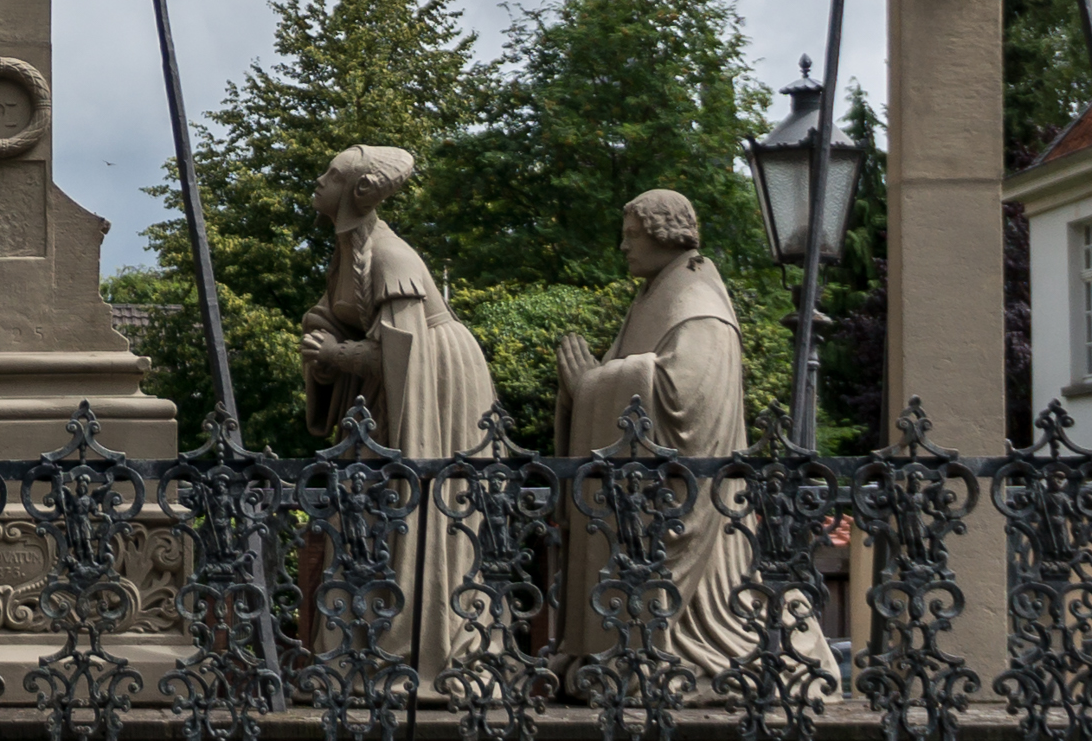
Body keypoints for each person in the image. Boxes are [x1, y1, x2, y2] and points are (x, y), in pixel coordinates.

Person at [553, 190, 839, 692]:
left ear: (666, 234)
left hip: (691, 514)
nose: (624, 246)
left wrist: (592, 387)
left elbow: (684, 404)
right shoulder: (656, 295)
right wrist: (594, 388)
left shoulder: (698, 306)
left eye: (633, 234)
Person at [297, 144, 506, 677]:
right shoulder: (349, 249)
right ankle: (362, 638)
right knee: (371, 505)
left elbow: (401, 353)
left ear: (357, 193)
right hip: (390, 386)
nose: (319, 182)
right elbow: (339, 320)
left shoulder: (392, 257)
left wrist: (335, 354)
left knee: (417, 503)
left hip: (436, 381)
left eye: (332, 174)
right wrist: (323, 344)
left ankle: (412, 644)